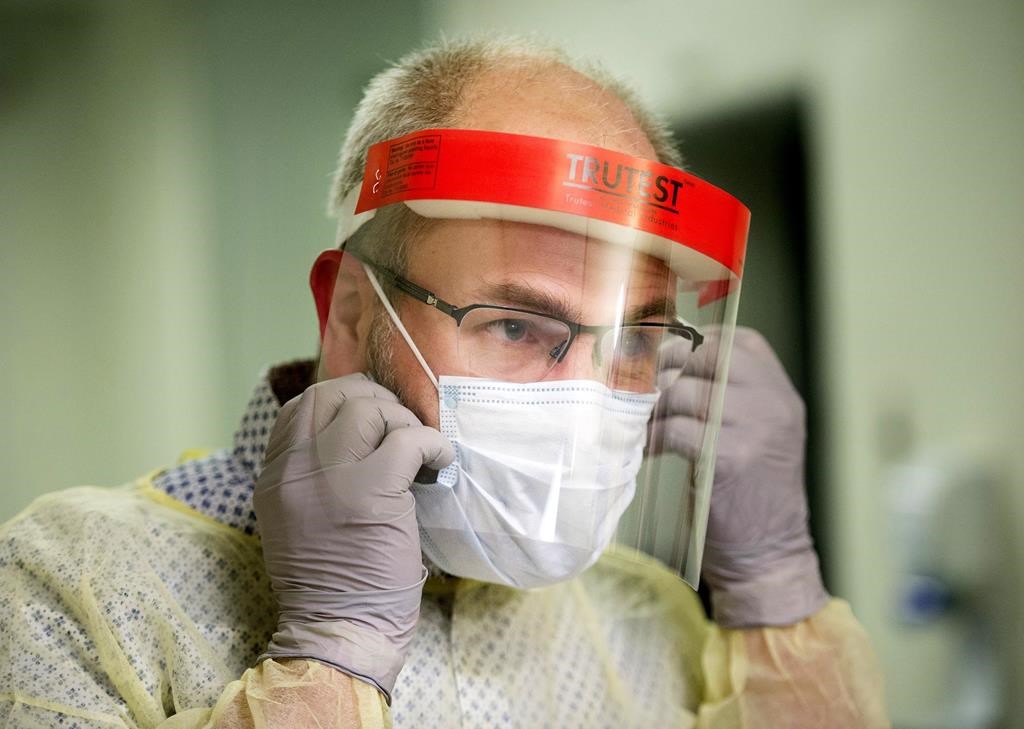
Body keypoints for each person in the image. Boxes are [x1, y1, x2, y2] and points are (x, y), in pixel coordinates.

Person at [0, 37, 889, 728]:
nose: (584, 399)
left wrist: (777, 593)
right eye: (515, 325)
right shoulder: (71, 583)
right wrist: (330, 655)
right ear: (352, 314)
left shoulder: (644, 610)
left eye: (634, 337)